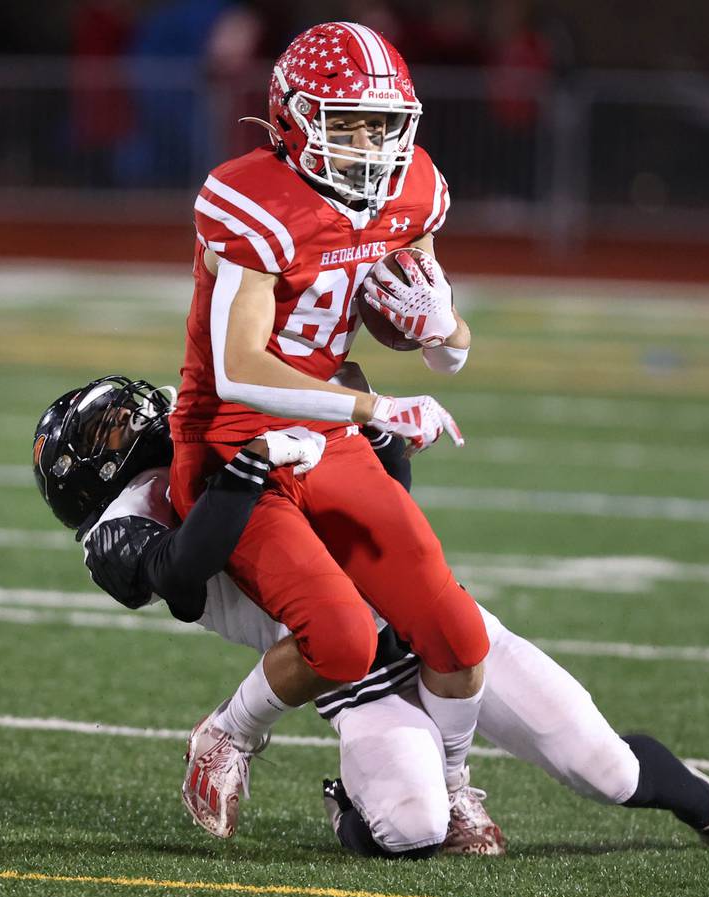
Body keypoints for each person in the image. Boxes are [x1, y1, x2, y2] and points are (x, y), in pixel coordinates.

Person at [33, 374, 709, 858]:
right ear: (83, 475)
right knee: (412, 827)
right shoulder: (125, 526)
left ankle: (695, 796)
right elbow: (182, 573)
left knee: (609, 771)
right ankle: (346, 795)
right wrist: (254, 465)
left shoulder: (222, 414)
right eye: (107, 432)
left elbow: (385, 489)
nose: (131, 423)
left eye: (120, 416)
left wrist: (373, 425)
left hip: (430, 623)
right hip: (348, 668)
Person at [169, 19, 491, 817]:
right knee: (344, 639)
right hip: (231, 442)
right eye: (343, 120)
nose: (367, 142)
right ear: (291, 117)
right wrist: (377, 405)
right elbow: (242, 368)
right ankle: (228, 734)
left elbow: (447, 351)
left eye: (382, 124)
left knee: (458, 633)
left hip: (328, 434)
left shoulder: (411, 187)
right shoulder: (253, 196)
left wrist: (440, 323)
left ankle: (452, 783)